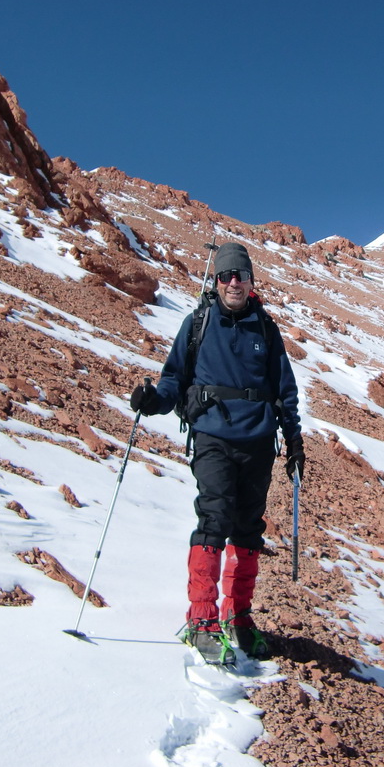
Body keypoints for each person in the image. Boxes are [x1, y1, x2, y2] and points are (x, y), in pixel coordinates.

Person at [130, 241, 305, 664]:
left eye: (241, 276)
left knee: (248, 528)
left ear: (250, 281)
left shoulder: (266, 329)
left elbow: (285, 392)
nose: (233, 283)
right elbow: (174, 381)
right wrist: (152, 401)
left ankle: (237, 616)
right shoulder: (197, 324)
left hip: (259, 441)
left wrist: (294, 440)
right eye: (226, 275)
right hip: (212, 437)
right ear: (216, 280)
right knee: (213, 518)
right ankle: (202, 618)